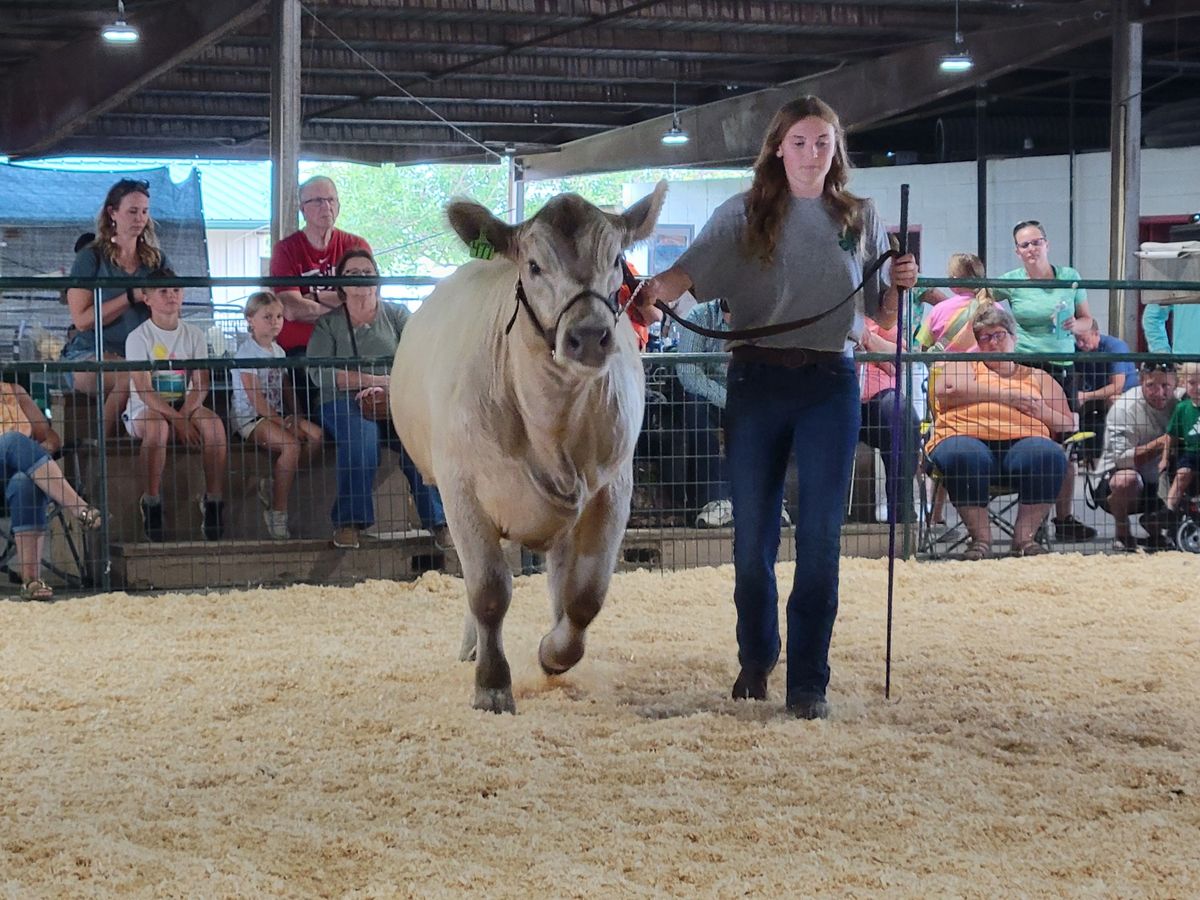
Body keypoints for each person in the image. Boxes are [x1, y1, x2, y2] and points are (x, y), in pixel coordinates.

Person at [636, 95, 918, 719]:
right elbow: (685, 275)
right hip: (755, 380)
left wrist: (899, 286)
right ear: (777, 148)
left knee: (821, 539)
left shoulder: (862, 218)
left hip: (830, 382)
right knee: (751, 539)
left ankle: (809, 681)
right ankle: (756, 655)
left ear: (836, 149)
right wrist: (650, 293)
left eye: (823, 142)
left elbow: (879, 316)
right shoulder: (741, 213)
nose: (813, 153)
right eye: (800, 142)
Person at [307, 249, 448, 550]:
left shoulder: (397, 315)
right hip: (342, 400)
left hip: (395, 396)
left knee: (418, 440)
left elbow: (418, 357)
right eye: (352, 273)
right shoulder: (328, 324)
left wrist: (390, 387)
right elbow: (320, 374)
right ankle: (350, 523)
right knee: (362, 437)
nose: (361, 278)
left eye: (367, 272)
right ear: (341, 285)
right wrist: (374, 382)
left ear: (378, 280)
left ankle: (441, 522)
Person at [926, 303, 1074, 560]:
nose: (993, 342)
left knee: (1048, 455)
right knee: (963, 454)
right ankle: (980, 539)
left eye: (999, 335)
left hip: (1024, 442)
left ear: (1014, 338)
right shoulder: (962, 366)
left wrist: (1040, 412)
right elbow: (947, 392)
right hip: (963, 437)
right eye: (985, 337)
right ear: (978, 344)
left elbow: (1068, 423)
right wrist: (1007, 396)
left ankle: (1024, 539)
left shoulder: (1038, 377)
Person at [995, 220, 1097, 541]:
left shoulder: (1069, 276)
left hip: (1061, 366)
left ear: (1047, 244)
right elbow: (980, 299)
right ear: (1016, 251)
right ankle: (1033, 521)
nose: (1030, 249)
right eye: (1024, 245)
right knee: (1032, 441)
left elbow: (1088, 320)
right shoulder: (1009, 282)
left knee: (1065, 443)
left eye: (1035, 242)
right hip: (1025, 368)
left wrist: (1075, 326)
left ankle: (1063, 518)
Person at [124, 270, 228, 542]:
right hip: (146, 409)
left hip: (185, 404)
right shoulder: (138, 337)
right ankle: (152, 501)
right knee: (158, 429)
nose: (171, 296)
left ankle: (214, 501)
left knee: (215, 427)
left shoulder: (193, 334)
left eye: (176, 291)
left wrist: (185, 413)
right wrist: (178, 420)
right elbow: (144, 391)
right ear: (146, 298)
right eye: (163, 291)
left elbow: (201, 382)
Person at [61, 179, 169, 438]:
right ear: (112, 212)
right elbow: (82, 321)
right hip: (90, 352)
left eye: (144, 211)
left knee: (147, 374)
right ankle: (102, 444)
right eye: (132, 211)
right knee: (126, 375)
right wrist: (129, 297)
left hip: (143, 354)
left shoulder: (157, 260)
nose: (140, 218)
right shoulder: (91, 258)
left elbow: (170, 306)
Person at [230, 292, 324, 540]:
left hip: (276, 414)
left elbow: (283, 384)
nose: (275, 322)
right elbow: (254, 397)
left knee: (316, 436)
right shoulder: (246, 353)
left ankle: (276, 483)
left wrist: (296, 414)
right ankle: (278, 512)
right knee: (290, 446)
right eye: (268, 316)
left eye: (279, 316)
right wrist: (283, 422)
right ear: (250, 319)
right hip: (251, 417)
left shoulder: (278, 351)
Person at [1, 382, 103, 601]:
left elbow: (49, 436)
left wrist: (41, 449)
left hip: (22, 471)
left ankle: (31, 580)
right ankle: (78, 507)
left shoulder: (14, 391)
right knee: (11, 440)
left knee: (24, 482)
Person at [1094, 362, 1178, 551]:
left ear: (1176, 383)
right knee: (1126, 479)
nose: (1159, 393)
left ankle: (1155, 524)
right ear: (1140, 381)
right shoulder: (1125, 407)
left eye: (1165, 386)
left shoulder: (1181, 401)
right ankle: (1122, 531)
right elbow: (1122, 460)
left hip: (1163, 480)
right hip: (1119, 480)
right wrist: (1161, 442)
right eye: (1151, 386)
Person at [857, 289, 920, 523]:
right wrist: (877, 353)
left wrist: (868, 339)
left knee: (902, 415)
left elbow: (897, 362)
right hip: (836, 392)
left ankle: (901, 513)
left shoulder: (885, 320)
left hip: (878, 397)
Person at [675, 299, 733, 527]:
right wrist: (726, 398)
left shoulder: (761, 315)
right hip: (709, 396)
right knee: (695, 404)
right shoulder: (700, 316)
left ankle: (770, 500)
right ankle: (714, 501)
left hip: (748, 394)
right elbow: (688, 371)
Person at [1071, 318, 1139, 466]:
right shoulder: (1077, 350)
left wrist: (1085, 396)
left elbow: (1117, 386)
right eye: (1077, 340)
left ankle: (1115, 451)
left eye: (1083, 340)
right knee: (1070, 404)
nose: (1080, 345)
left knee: (1113, 399)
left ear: (1096, 333)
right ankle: (1078, 452)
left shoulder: (1114, 347)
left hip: (1124, 395)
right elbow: (1075, 378)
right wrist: (1074, 396)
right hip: (1097, 395)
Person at [915, 253, 994, 353]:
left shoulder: (939, 310)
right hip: (986, 367)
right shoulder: (995, 308)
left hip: (945, 367)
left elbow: (923, 345)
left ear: (954, 280)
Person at [1161, 361, 1200, 526]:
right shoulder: (1182, 408)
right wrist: (1164, 458)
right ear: (1184, 383)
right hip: (1190, 453)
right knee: (1182, 474)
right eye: (1192, 383)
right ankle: (1168, 509)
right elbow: (1171, 435)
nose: (1198, 388)